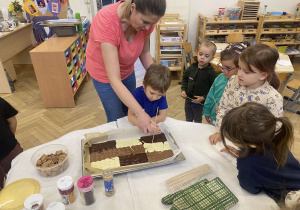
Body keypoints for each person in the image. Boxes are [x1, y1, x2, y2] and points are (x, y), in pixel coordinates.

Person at [86, 0, 166, 134]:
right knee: (116, 117)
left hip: (127, 70)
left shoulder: (147, 23)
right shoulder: (106, 20)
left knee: (128, 111)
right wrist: (140, 113)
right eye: (145, 22)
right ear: (133, 8)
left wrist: (159, 80)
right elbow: (114, 79)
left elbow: (144, 52)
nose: (148, 28)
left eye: (152, 24)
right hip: (104, 74)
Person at [219, 102, 300, 204]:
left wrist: (244, 158)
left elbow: (251, 188)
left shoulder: (247, 164)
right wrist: (242, 153)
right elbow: (265, 162)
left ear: (252, 145)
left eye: (231, 138)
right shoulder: (278, 140)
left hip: (292, 198)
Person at [209, 43, 283, 144]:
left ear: (262, 75)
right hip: (228, 137)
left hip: (250, 145)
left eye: (246, 72)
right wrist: (219, 131)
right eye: (239, 68)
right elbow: (224, 107)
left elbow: (273, 130)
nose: (239, 73)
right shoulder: (233, 81)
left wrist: (248, 149)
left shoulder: (273, 98)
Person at [203, 43, 246, 125]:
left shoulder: (243, 84)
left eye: (228, 68)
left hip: (230, 123)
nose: (223, 70)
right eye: (222, 66)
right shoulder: (220, 78)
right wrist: (207, 111)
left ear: (240, 67)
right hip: (214, 117)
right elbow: (211, 95)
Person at [128, 63, 171, 133]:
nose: (154, 97)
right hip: (138, 126)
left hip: (153, 125)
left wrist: (149, 123)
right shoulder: (137, 94)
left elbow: (163, 116)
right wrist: (144, 124)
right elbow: (130, 116)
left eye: (159, 95)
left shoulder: (162, 95)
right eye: (152, 93)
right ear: (144, 84)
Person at [181, 41, 217, 123]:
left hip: (200, 104)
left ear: (211, 58)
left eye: (206, 56)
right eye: (200, 54)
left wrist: (203, 97)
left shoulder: (211, 72)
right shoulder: (191, 67)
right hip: (188, 101)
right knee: (188, 119)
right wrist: (183, 89)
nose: (202, 57)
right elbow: (185, 79)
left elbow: (213, 89)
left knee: (197, 120)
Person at [0, 97, 23, 189]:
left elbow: (12, 121)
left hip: (10, 149)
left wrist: (10, 139)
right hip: (9, 147)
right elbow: (12, 121)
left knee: (22, 175)